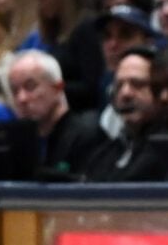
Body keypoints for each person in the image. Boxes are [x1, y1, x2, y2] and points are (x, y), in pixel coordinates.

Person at [6, 50, 107, 180]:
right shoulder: (18, 145)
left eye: (30, 86)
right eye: (15, 91)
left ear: (58, 88)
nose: (21, 98)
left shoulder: (86, 136)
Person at [81, 49, 167, 183]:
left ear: (161, 90)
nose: (125, 93)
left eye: (138, 84)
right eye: (119, 85)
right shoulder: (103, 153)